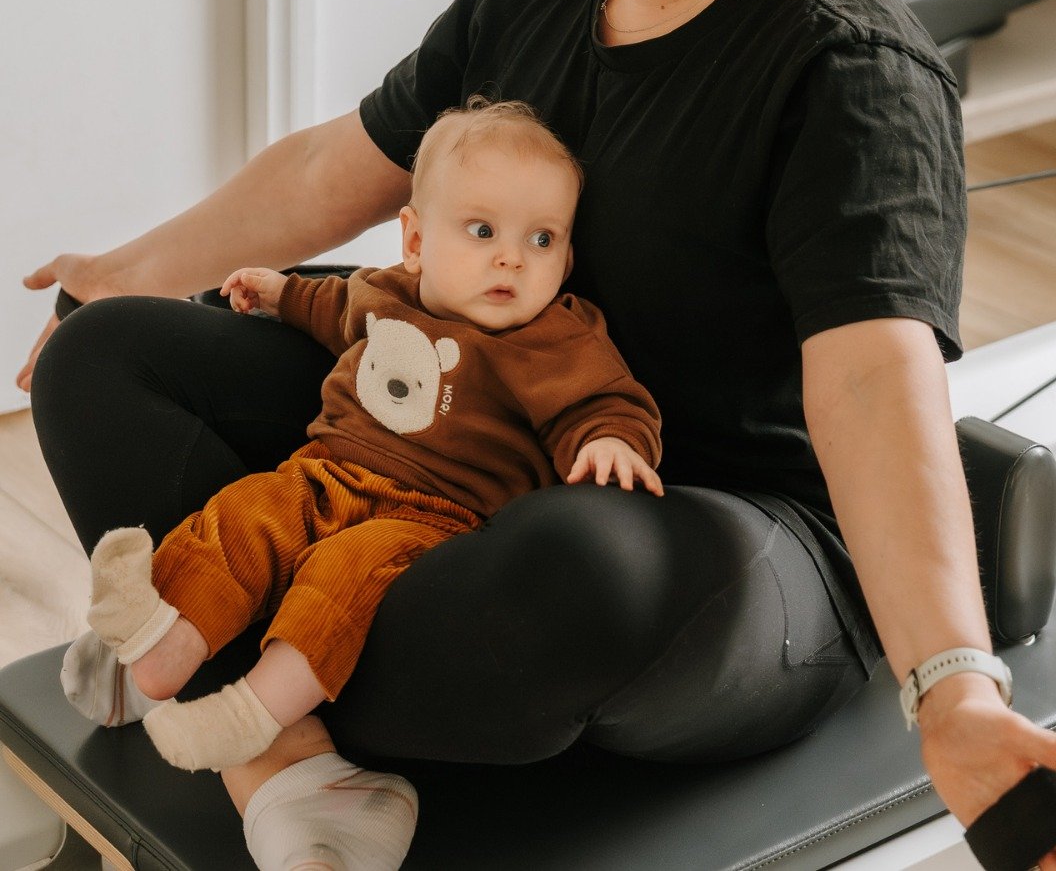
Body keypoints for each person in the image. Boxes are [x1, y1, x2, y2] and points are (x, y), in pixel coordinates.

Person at [22, 0, 1056, 868]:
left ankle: (199, 656)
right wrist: (113, 276)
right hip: (457, 435)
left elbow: (871, 380)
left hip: (711, 525)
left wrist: (954, 691)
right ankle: (277, 755)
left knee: (572, 568)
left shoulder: (847, 68)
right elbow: (339, 166)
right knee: (109, 358)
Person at [60, 98, 662, 867]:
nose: (512, 258)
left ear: (567, 260)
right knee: (242, 516)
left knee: (340, 578)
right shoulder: (385, 292)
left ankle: (254, 714)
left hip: (431, 518)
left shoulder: (557, 339)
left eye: (541, 240)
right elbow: (329, 303)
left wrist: (612, 441)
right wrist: (276, 293)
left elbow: (608, 401)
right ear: (415, 240)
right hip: (322, 475)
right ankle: (165, 649)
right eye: (483, 232)